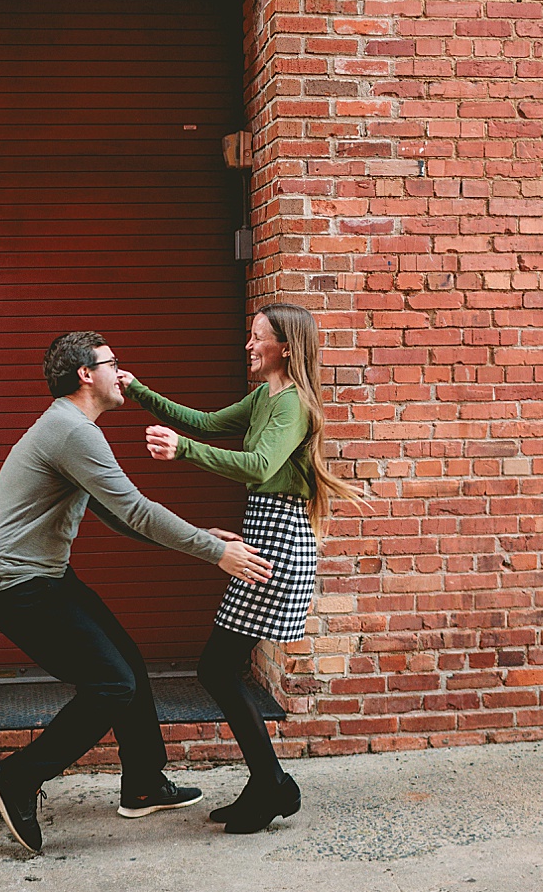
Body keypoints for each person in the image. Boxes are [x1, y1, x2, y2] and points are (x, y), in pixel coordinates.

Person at [0, 331, 275, 854]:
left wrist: (204, 535)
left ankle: (143, 783)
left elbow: (117, 514)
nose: (122, 373)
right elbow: (135, 510)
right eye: (112, 363)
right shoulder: (72, 431)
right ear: (86, 375)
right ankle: (19, 778)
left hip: (42, 576)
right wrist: (213, 552)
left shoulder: (71, 428)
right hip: (16, 585)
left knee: (128, 667)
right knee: (111, 684)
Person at [120, 304, 362, 834]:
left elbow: (257, 466)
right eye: (250, 337)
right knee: (219, 667)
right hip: (265, 533)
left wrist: (184, 451)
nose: (248, 346)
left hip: (280, 541)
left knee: (216, 667)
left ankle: (271, 784)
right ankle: (269, 783)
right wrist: (138, 390)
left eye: (258, 339)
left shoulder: (293, 403)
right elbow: (204, 423)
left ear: (287, 348)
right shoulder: (265, 396)